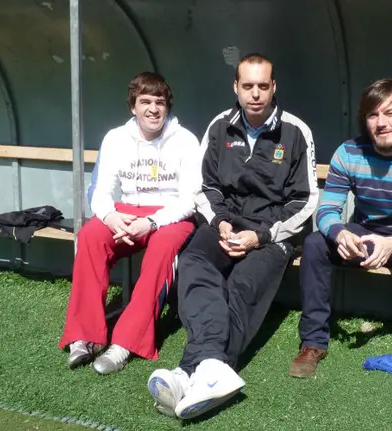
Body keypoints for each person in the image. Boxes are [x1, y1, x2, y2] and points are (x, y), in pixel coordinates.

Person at [147, 53, 319, 420]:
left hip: (273, 235)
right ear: (236, 88)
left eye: (262, 86)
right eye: (247, 86)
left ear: (273, 88)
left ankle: (190, 371)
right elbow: (205, 186)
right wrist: (221, 222)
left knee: (241, 285)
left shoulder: (295, 131)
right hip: (226, 224)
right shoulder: (220, 126)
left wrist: (261, 236)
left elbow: (305, 201)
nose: (255, 94)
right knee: (193, 259)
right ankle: (211, 369)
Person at [288, 78, 392, 402]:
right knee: (314, 245)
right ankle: (313, 343)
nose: (381, 123)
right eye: (372, 115)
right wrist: (341, 233)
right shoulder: (349, 152)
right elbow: (327, 211)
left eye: (390, 113)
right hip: (363, 232)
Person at [58, 72, 201, 375]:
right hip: (126, 212)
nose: (153, 109)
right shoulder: (115, 138)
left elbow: (190, 199)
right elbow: (99, 190)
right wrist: (110, 217)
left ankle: (125, 342)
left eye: (159, 102)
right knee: (91, 236)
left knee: (162, 247)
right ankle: (84, 336)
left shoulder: (185, 140)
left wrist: (151, 221)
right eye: (145, 101)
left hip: (171, 215)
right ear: (133, 107)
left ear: (168, 106)